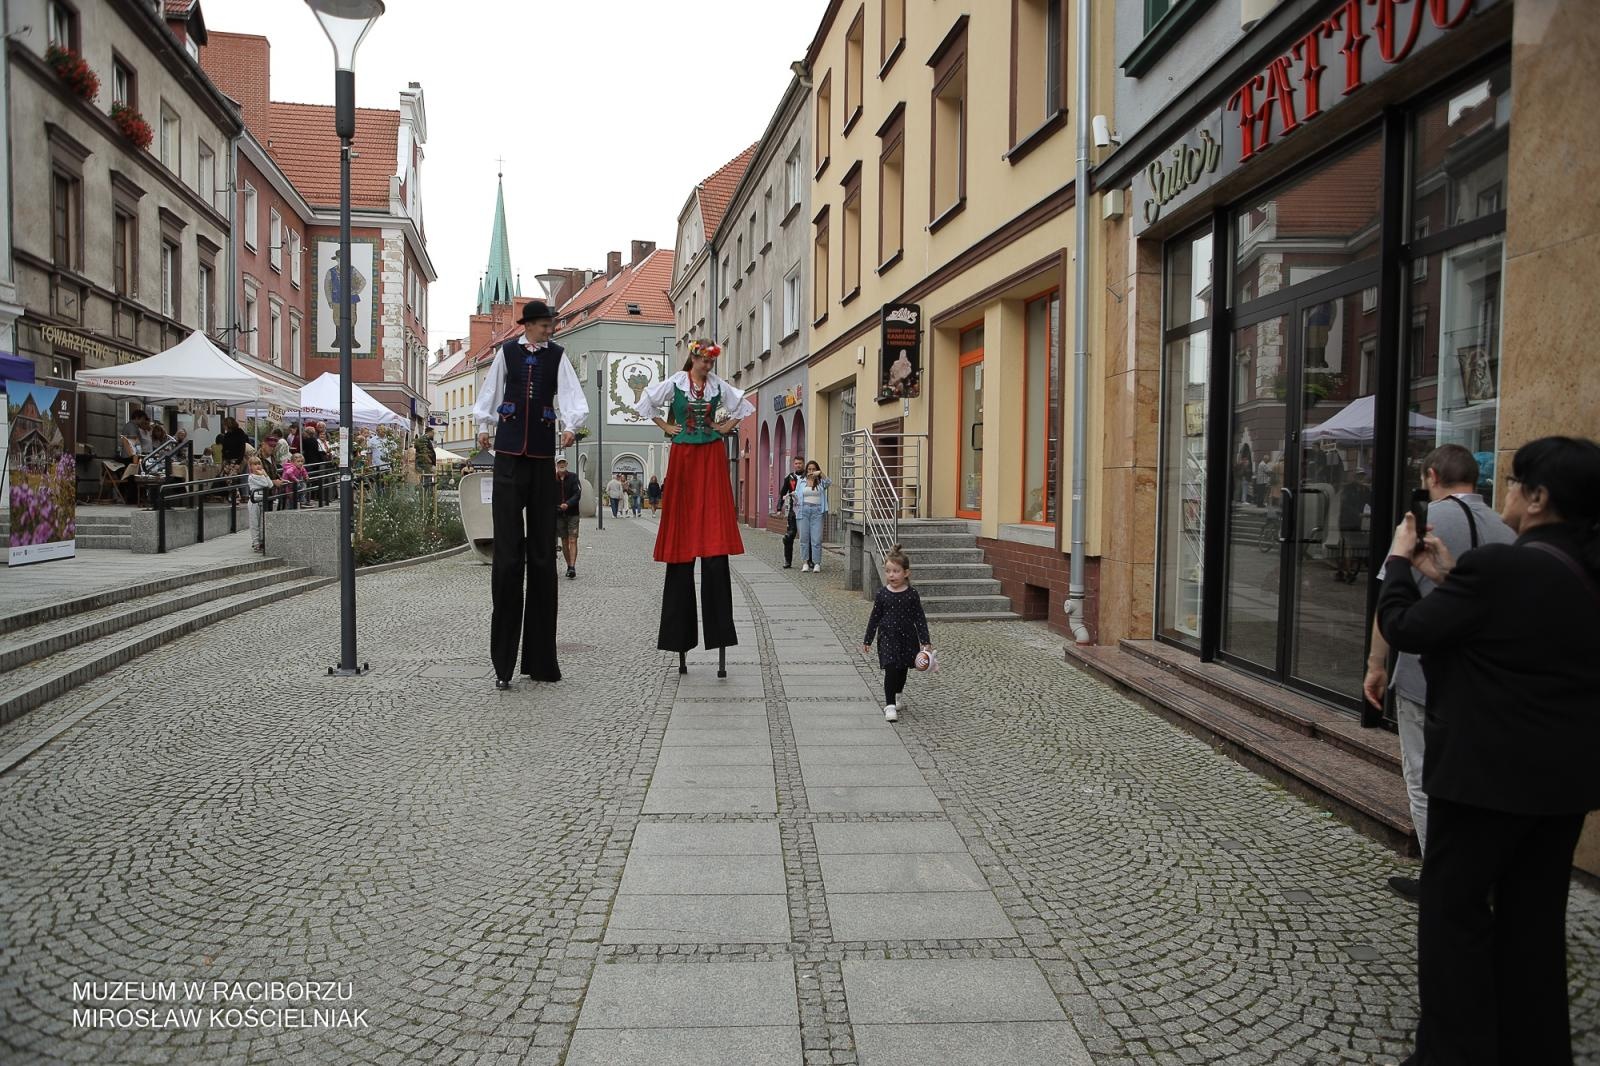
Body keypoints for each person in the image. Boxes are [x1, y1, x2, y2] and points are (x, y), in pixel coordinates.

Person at [1376, 436, 1600, 1066]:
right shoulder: (1578, 569)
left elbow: (1406, 629)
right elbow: (1523, 636)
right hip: (1561, 787)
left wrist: (1398, 566)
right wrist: (1448, 578)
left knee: (1455, 919)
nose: (1505, 493)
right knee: (1533, 925)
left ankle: (1454, 1053)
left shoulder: (1502, 567)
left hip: (1482, 780)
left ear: (1538, 497)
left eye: (1513, 481)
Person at [1364, 445, 1515, 900]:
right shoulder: (1507, 530)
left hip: (1424, 675)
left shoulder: (1421, 525)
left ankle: (1443, 880)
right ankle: (1483, 874)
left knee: (1426, 778)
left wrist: (1375, 664)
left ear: (1431, 476)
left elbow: (1391, 597)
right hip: (1490, 680)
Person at [472, 299, 588, 689]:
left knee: (541, 555)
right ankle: (503, 662)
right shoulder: (506, 353)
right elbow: (490, 391)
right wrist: (484, 424)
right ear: (529, 325)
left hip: (540, 458)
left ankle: (541, 661)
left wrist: (571, 425)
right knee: (508, 556)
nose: (549, 330)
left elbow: (572, 395)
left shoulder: (558, 356)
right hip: (507, 458)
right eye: (544, 325)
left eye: (550, 325)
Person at [634, 339, 753, 676]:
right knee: (683, 553)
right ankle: (680, 640)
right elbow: (646, 402)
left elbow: (743, 406)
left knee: (715, 556)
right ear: (695, 358)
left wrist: (724, 427)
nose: (709, 366)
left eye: (712, 362)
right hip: (685, 456)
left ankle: (719, 638)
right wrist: (666, 426)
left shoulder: (717, 386)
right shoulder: (675, 382)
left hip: (711, 455)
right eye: (705, 361)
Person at [862, 544, 932, 723]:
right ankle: (890, 705)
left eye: (896, 571)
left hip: (907, 638)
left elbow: (920, 618)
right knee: (891, 668)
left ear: (906, 573)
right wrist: (868, 639)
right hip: (887, 638)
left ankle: (898, 693)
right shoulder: (882, 594)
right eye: (888, 571)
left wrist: (925, 641)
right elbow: (874, 617)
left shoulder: (912, 595)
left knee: (902, 670)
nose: (891, 575)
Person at [794, 461, 831, 573]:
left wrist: (820, 473)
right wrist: (792, 495)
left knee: (816, 539)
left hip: (817, 511)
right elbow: (797, 494)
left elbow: (829, 482)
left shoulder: (820, 482)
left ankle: (817, 563)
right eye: (809, 469)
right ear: (806, 470)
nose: (811, 471)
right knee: (804, 538)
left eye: (813, 469)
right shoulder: (802, 481)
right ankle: (805, 562)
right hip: (803, 511)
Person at [555, 457, 582, 579]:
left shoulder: (573, 477)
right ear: (556, 465)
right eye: (559, 463)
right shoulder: (552, 479)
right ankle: (568, 565)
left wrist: (568, 504)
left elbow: (578, 493)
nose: (562, 465)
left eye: (563, 463)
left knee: (573, 539)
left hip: (572, 513)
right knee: (564, 541)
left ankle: (572, 566)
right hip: (559, 514)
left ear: (566, 464)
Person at [244, 456, 275, 553]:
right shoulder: (251, 477)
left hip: (262, 501)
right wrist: (263, 475)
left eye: (259, 464)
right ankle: (256, 542)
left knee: (262, 522)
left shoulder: (262, 475)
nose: (257, 466)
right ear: (250, 466)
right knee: (254, 523)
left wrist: (265, 475)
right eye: (255, 464)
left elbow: (270, 485)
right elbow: (265, 484)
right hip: (254, 502)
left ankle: (261, 541)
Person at [778, 456, 803, 569]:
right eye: (796, 463)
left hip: (805, 510)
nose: (798, 465)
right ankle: (788, 561)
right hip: (793, 511)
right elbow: (783, 493)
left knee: (807, 537)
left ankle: (810, 561)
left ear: (803, 464)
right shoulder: (790, 478)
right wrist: (779, 508)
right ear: (794, 464)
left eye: (800, 463)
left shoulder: (807, 477)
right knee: (789, 536)